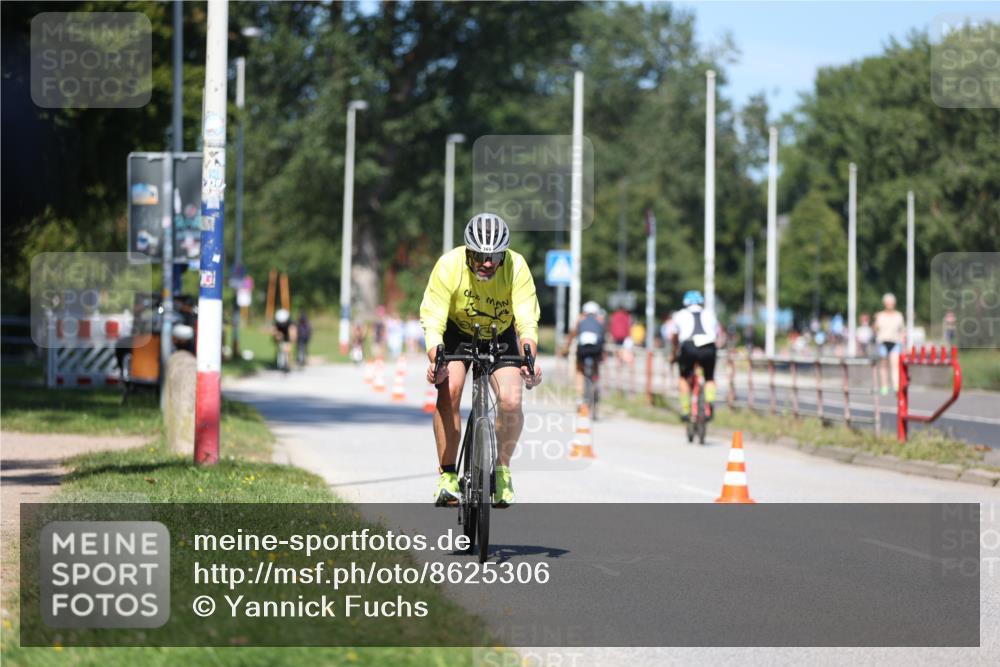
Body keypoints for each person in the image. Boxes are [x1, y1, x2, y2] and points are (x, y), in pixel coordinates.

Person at [421, 213, 541, 508]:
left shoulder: (516, 266)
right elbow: (433, 319)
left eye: (494, 256)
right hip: (457, 333)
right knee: (449, 391)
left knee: (511, 401)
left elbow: (526, 320)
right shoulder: (449, 265)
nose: (487, 263)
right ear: (468, 252)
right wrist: (437, 359)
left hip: (500, 336)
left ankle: (501, 470)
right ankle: (448, 476)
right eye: (479, 256)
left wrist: (528, 357)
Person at [670, 290, 718, 421]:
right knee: (709, 377)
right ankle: (709, 404)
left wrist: (674, 353)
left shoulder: (679, 315)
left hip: (689, 346)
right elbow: (716, 333)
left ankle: (685, 410)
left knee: (684, 377)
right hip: (708, 346)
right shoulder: (709, 313)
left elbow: (674, 336)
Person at [561, 300, 606, 408]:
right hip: (596, 349)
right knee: (596, 365)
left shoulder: (580, 319)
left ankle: (580, 396)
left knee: (580, 370)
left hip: (583, 349)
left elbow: (572, 335)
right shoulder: (600, 320)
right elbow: (603, 337)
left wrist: (565, 349)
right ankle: (595, 383)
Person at [874, 292, 906, 394]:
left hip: (895, 342)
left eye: (891, 303)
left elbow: (902, 331)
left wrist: (904, 344)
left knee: (895, 364)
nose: (889, 305)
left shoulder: (898, 316)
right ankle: (884, 386)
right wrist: (875, 321)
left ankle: (896, 385)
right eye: (888, 303)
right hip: (883, 342)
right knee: (883, 365)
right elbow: (875, 329)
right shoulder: (880, 315)